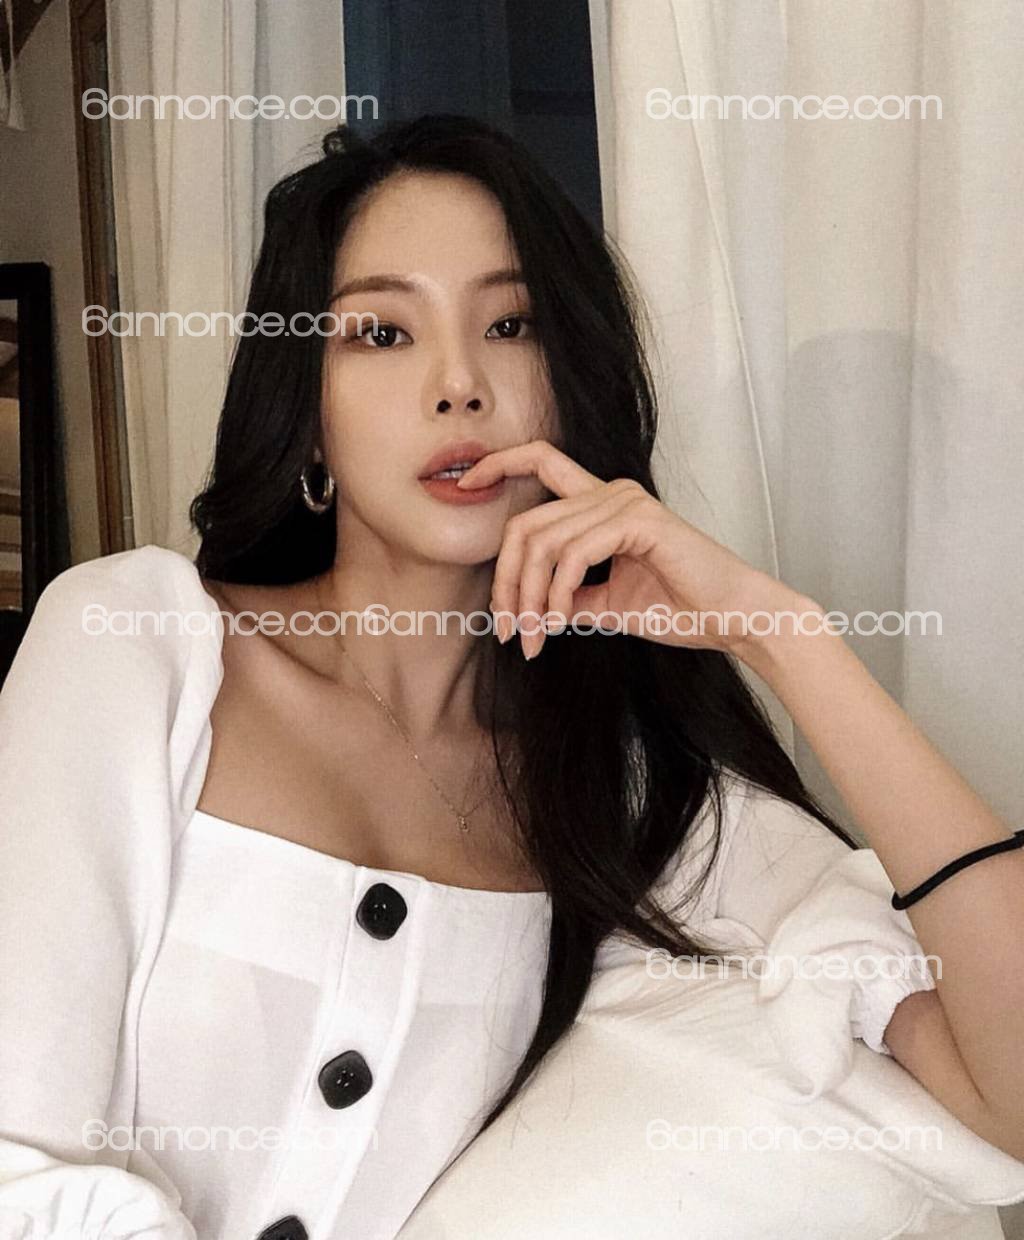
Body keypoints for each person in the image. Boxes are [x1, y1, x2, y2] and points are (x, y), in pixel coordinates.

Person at [0, 114, 1022, 1240]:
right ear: (308, 417)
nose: (459, 385)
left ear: (567, 384)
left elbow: (1008, 1098)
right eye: (382, 333)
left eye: (509, 324)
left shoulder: (634, 797)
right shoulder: (134, 644)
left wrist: (782, 634)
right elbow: (15, 1162)